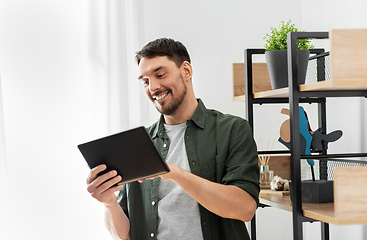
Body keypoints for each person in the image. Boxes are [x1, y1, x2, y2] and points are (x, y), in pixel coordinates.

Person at [86, 38, 260, 240]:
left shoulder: (232, 130)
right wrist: (109, 202)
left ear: (186, 71)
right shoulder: (138, 144)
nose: (153, 87)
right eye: (145, 81)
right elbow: (125, 234)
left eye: (160, 75)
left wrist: (175, 173)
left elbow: (244, 209)